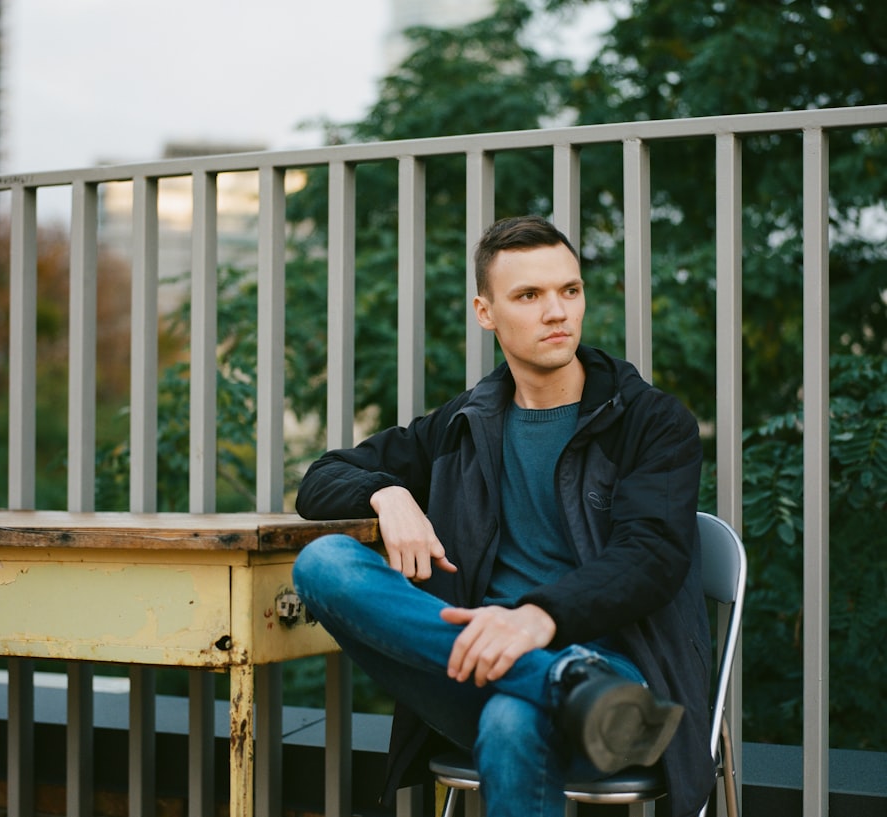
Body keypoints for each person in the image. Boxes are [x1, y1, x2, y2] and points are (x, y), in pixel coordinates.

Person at [292, 215, 716, 817]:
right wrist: (388, 496)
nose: (557, 313)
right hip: (474, 664)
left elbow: (651, 557)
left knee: (515, 719)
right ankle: (558, 682)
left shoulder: (649, 421)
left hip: (616, 669)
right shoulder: (464, 423)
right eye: (529, 295)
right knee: (323, 562)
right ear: (484, 312)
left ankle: (565, 679)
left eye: (570, 291)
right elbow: (320, 478)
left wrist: (537, 618)